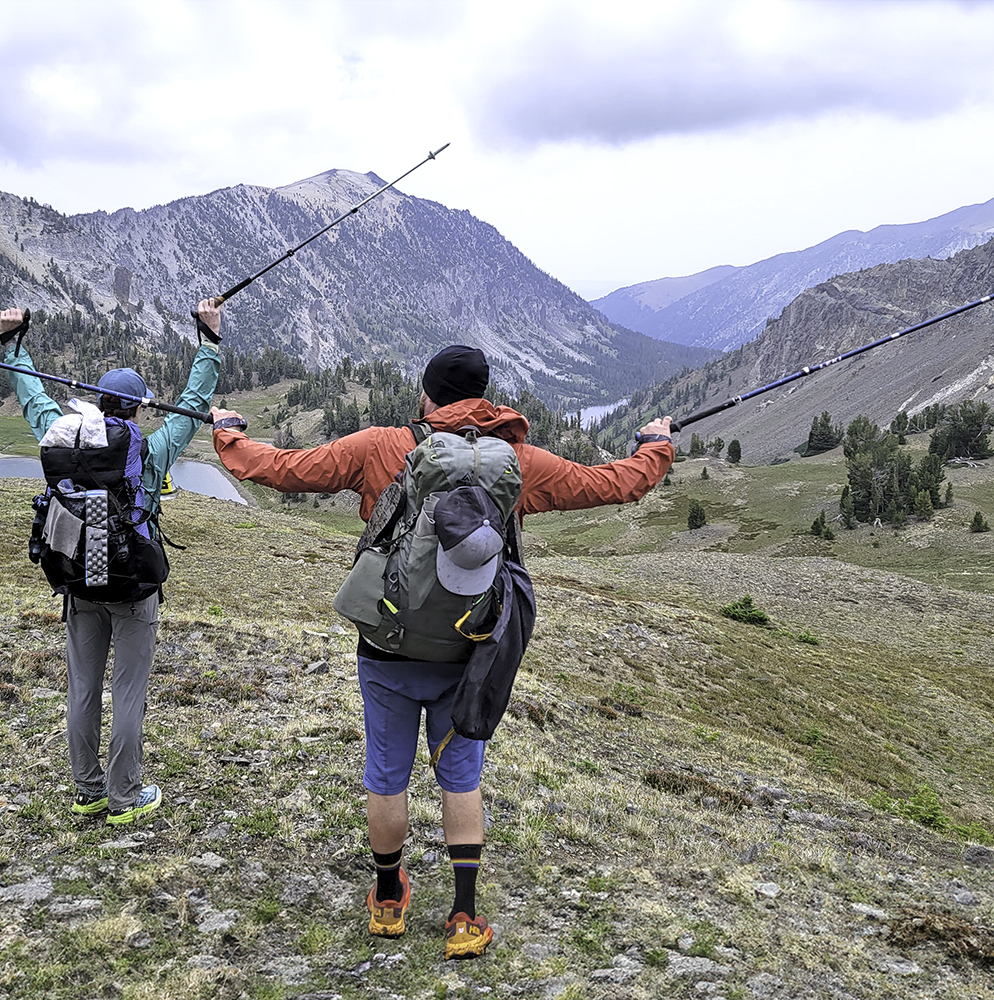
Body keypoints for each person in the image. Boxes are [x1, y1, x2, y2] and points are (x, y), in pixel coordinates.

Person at [209, 344, 673, 959]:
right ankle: (462, 917)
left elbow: (286, 469)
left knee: (386, 773)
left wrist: (230, 436)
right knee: (461, 777)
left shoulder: (379, 446)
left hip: (387, 646)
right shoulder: (517, 462)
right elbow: (614, 484)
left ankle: (386, 900)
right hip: (469, 650)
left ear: (428, 396)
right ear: (487, 397)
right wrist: (654, 444)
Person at [0, 301, 225, 823]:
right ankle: (125, 797)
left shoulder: (63, 435)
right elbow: (194, 398)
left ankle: (88, 789)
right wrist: (208, 341)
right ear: (139, 410)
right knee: (127, 691)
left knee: (83, 687)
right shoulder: (151, 449)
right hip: (134, 587)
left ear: (98, 403)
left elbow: (33, 398)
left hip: (78, 584)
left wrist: (14, 344)